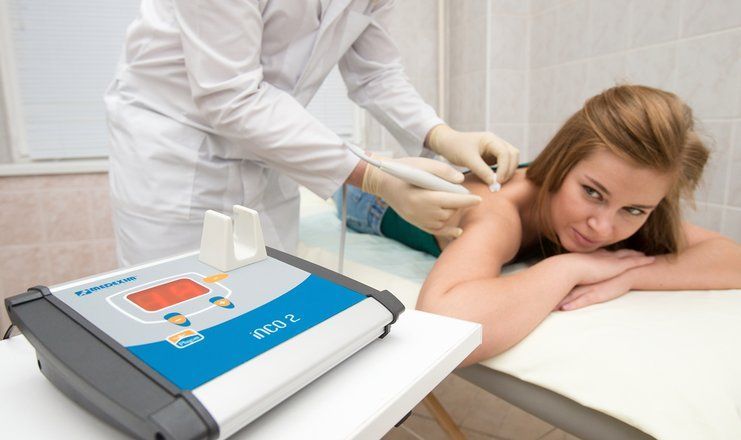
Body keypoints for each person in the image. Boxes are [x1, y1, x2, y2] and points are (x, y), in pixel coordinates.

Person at [336, 85, 741, 365]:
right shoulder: (499, 212)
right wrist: (573, 267)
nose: (602, 228)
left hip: (465, 181)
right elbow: (445, 320)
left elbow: (732, 258)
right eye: (592, 192)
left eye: (634, 210)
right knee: (365, 176)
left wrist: (631, 275)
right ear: (563, 162)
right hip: (371, 202)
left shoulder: (624, 196)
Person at [104, 0, 519, 266]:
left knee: (268, 306)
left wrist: (440, 134)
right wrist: (374, 177)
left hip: (272, 151)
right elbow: (230, 94)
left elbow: (375, 75)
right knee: (181, 324)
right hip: (178, 155)